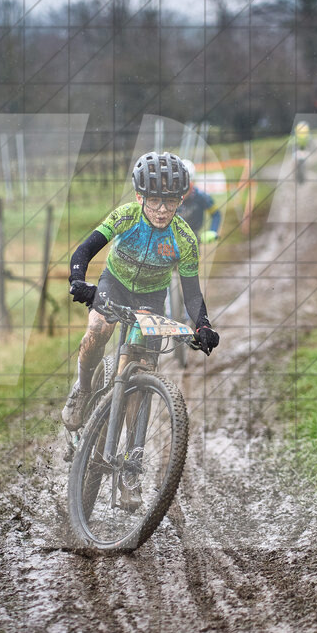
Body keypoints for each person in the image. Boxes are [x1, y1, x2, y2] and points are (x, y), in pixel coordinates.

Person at [62, 151, 220, 431]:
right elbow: (85, 250)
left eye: (170, 201)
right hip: (116, 284)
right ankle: (83, 388)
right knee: (98, 328)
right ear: (140, 198)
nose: (162, 209)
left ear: (180, 200)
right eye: (155, 200)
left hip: (152, 296)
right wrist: (78, 280)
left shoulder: (185, 239)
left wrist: (203, 324)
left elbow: (192, 294)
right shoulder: (126, 216)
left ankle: (130, 454)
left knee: (144, 367)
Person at [176, 160, 221, 244]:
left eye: (186, 185)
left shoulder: (202, 197)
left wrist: (213, 230)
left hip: (193, 241)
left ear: (192, 182)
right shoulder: (170, 198)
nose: (183, 190)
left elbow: (216, 214)